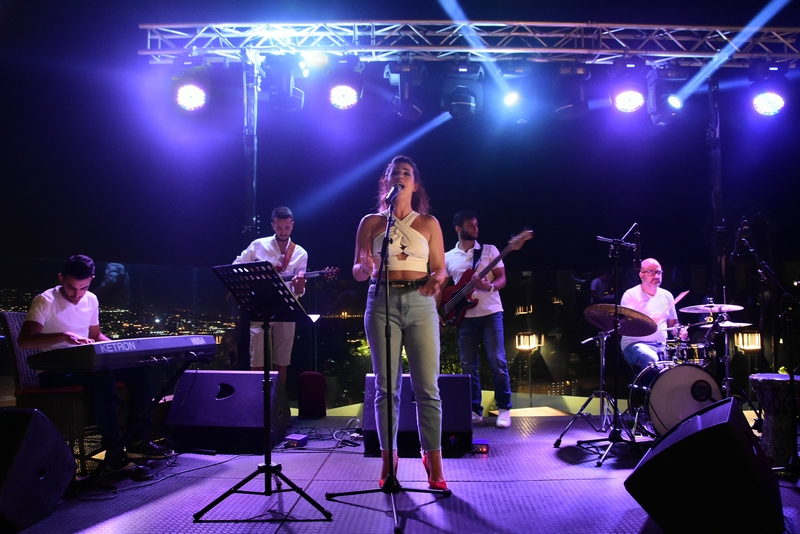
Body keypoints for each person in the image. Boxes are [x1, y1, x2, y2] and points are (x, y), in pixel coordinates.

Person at [18, 255, 171, 472]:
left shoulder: (91, 299)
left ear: (91, 280)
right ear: (61, 278)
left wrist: (123, 350)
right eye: (71, 287)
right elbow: (25, 341)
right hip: (55, 369)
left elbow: (96, 335)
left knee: (144, 373)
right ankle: (114, 451)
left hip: (88, 364)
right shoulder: (45, 300)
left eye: (83, 287)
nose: (77, 294)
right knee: (103, 381)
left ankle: (137, 442)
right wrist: (63, 336)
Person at [352, 155, 447, 490]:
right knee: (386, 387)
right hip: (381, 302)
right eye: (395, 172)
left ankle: (432, 459)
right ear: (387, 182)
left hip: (420, 302)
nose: (400, 176)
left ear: (415, 184)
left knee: (427, 388)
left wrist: (437, 279)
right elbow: (358, 270)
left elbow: (441, 267)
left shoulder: (429, 223)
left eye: (407, 173)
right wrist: (364, 268)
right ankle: (388, 458)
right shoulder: (372, 222)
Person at [444, 210, 513, 429]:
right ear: (458, 229)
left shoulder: (489, 250)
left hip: (491, 312)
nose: (475, 228)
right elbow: (445, 288)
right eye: (471, 225)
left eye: (476, 224)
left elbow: (502, 278)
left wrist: (489, 286)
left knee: (497, 360)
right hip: (464, 317)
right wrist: (441, 310)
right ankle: (474, 410)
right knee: (468, 365)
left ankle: (504, 409)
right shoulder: (448, 257)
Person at [233, 206, 307, 383]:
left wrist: (299, 287)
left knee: (282, 361)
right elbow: (236, 266)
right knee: (256, 360)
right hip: (260, 306)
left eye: (287, 227)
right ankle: (256, 403)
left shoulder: (301, 253)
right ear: (273, 225)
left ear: (292, 226)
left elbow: (300, 291)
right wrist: (255, 275)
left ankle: (277, 404)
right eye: (279, 227)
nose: (283, 232)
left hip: (286, 309)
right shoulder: (258, 245)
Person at [620, 258, 687, 374]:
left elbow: (673, 324)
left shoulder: (667, 295)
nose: (656, 276)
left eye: (659, 272)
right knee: (652, 360)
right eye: (652, 272)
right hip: (635, 344)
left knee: (682, 365)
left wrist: (679, 331)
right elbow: (627, 325)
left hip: (662, 345)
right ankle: (652, 392)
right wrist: (647, 324)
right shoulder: (630, 295)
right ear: (641, 275)